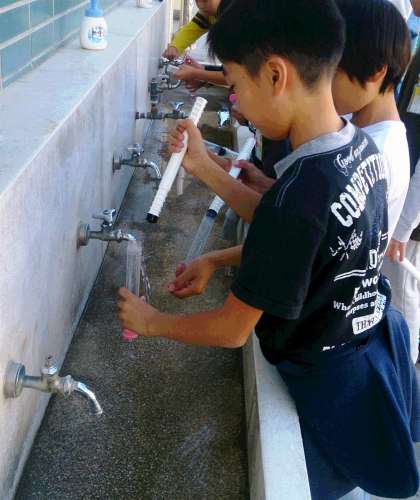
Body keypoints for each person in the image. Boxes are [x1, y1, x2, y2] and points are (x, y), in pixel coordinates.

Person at [118, 1, 419, 498]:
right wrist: (203, 167)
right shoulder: (357, 147)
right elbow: (297, 228)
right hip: (365, 351)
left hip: (326, 392)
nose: (235, 101)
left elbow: (232, 329)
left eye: (237, 85)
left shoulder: (301, 193)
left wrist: (152, 322)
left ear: (276, 75)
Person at [162, 0, 228, 60]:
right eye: (196, 0)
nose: (200, 6)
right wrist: (175, 47)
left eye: (205, 0)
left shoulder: (232, 17)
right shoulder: (208, 14)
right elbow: (191, 31)